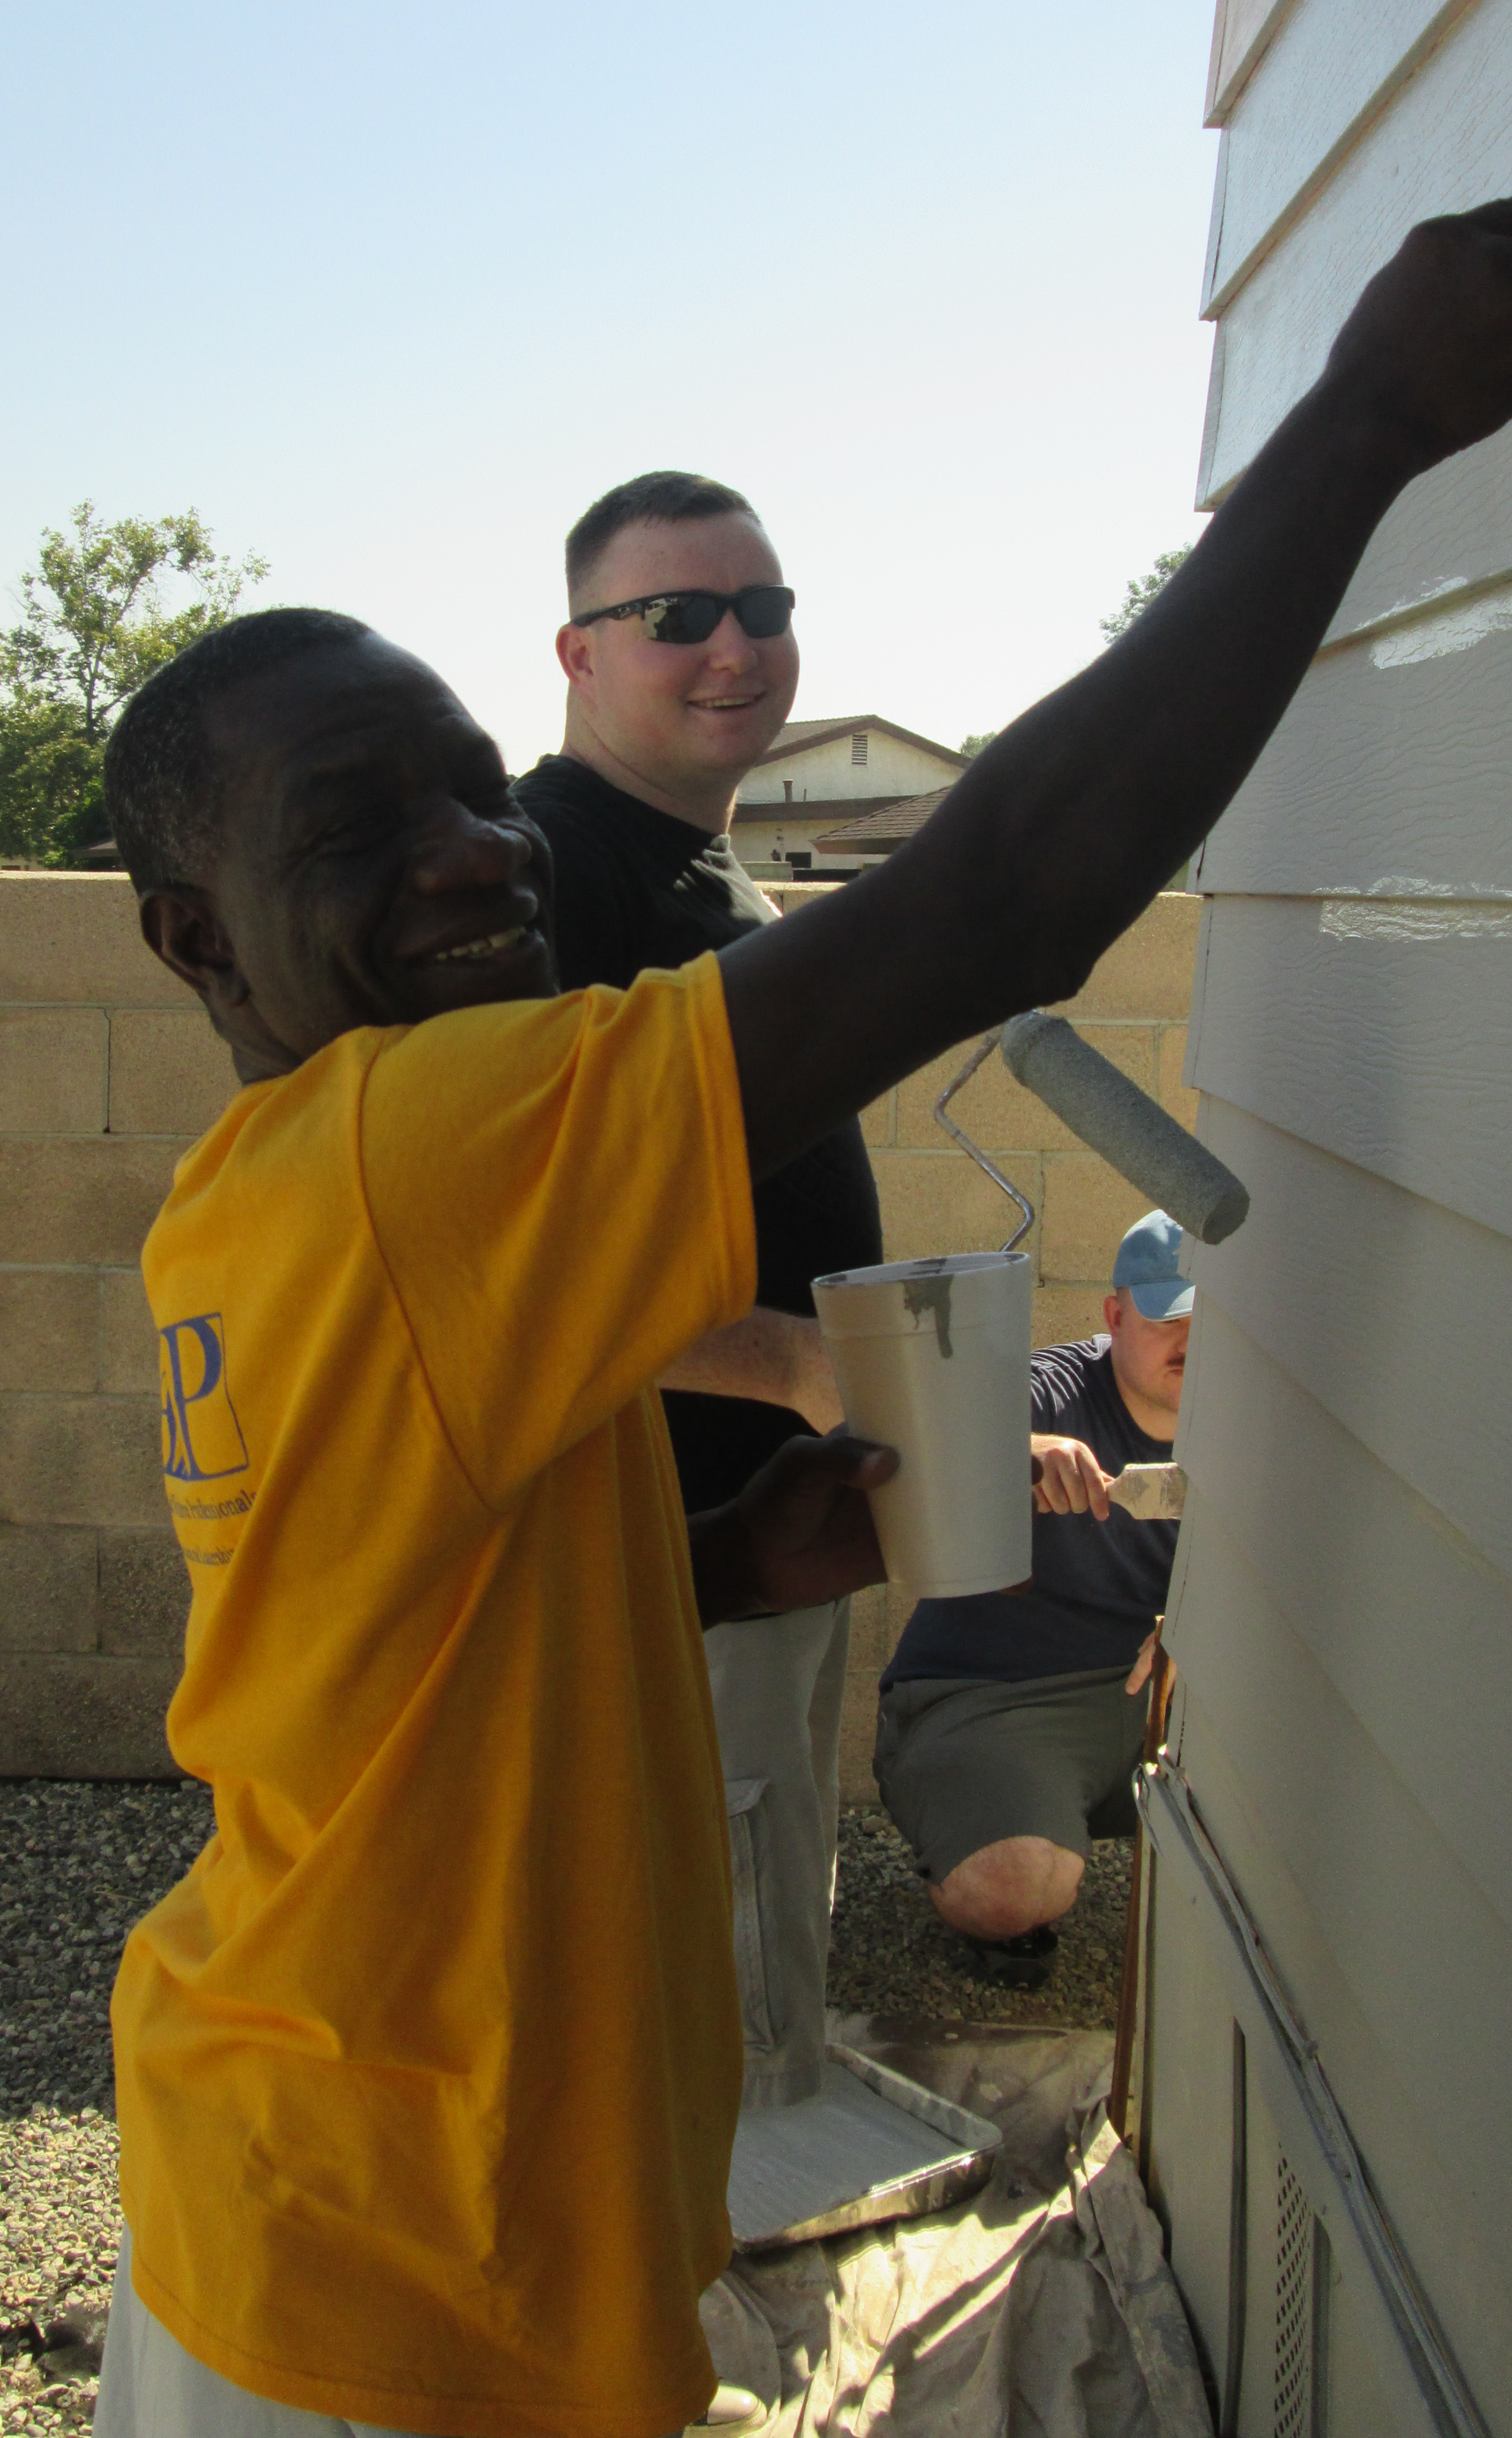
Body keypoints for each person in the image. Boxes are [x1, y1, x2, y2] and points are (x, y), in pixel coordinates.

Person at [91, 172, 1512, 2438]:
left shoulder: (268, 1188)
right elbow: (1001, 886)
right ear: (194, 940)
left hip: (316, 2182)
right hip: (391, 2279)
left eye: (460, 793)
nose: (468, 849)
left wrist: (714, 1552)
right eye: (350, 820)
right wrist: (1366, 418)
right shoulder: (430, 1128)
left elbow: (391, 1616)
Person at [515, 468, 876, 2112]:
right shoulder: (545, 885)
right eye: (678, 617)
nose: (735, 646)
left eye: (764, 608)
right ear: (580, 654)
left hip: (776, 1527)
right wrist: (792, 1362)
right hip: (666, 1553)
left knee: (765, 1897)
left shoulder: (709, 883)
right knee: (692, 1971)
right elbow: (502, 1260)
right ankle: (690, 2323)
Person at [875, 1208, 1191, 1987]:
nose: (1193, 1341)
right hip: (1004, 1699)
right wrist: (1022, 1449)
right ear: (1115, 1316)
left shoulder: (1256, 1420)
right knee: (1016, 1885)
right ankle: (997, 1865)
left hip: (1171, 1693)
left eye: (1214, 1320)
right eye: (1169, 1318)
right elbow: (922, 1428)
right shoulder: (1053, 1388)